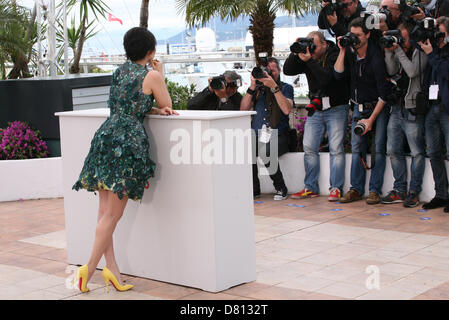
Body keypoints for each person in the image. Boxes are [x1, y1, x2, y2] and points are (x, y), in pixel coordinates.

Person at [71, 27, 178, 293]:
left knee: (104, 214)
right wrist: (160, 75)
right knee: (112, 215)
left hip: (106, 137)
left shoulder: (119, 72)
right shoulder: (152, 75)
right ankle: (88, 269)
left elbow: (127, 104)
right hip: (127, 143)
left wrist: (152, 106)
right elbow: (168, 103)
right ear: (151, 51)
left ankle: (112, 271)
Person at [283, 31, 350, 201]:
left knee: (336, 149)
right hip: (316, 107)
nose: (311, 48)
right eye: (309, 44)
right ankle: (310, 187)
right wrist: (296, 50)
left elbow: (326, 79)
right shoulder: (307, 55)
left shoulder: (334, 54)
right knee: (309, 147)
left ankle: (335, 188)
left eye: (314, 44)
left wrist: (309, 61)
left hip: (336, 107)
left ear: (324, 44)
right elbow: (288, 70)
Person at [334, 17, 390, 205]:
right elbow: (338, 74)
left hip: (377, 107)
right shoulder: (350, 54)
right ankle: (355, 189)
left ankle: (374, 190)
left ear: (367, 34)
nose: (355, 39)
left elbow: (384, 94)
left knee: (378, 149)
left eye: (358, 35)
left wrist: (371, 120)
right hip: (357, 107)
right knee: (357, 149)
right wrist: (342, 50)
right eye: (352, 35)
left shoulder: (375, 56)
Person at [382, 23, 428, 208]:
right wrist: (388, 51)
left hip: (413, 107)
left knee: (417, 152)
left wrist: (398, 50)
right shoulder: (398, 50)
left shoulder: (421, 51)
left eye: (404, 38)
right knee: (393, 150)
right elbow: (392, 71)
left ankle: (414, 192)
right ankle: (399, 190)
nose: (401, 41)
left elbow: (412, 72)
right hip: (397, 107)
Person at [241, 58, 294, 200]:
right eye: (267, 71)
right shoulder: (258, 90)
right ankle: (254, 189)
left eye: (272, 70)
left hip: (279, 134)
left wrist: (273, 86)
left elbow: (286, 109)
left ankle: (281, 188)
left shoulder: (285, 88)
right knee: (245, 149)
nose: (269, 73)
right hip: (257, 134)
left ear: (279, 71)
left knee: (266, 151)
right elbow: (243, 109)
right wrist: (252, 86)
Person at [419, 16, 449, 210]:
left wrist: (432, 54)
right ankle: (442, 194)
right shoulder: (435, 50)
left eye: (441, 32)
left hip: (447, 108)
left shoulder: (439, 54)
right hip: (432, 106)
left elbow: (446, 71)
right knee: (433, 152)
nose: (438, 35)